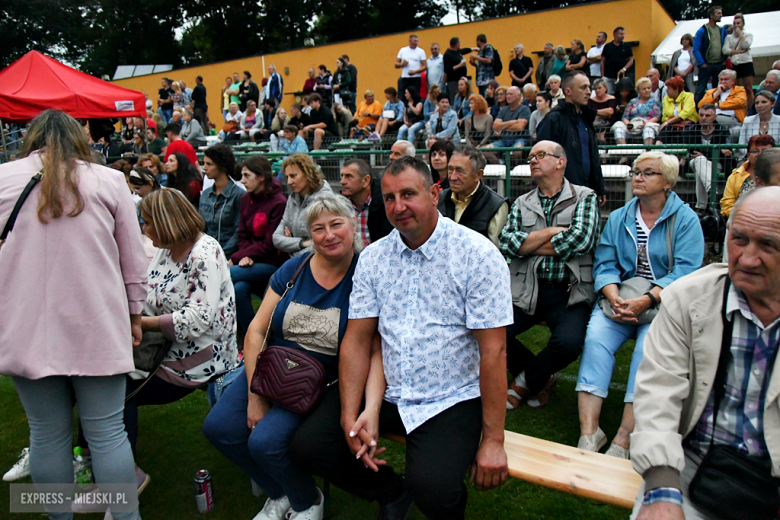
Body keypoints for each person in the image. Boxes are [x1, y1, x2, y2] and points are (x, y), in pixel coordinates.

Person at [289, 154, 513, 520]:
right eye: (389, 197)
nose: (398, 206)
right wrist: (350, 415)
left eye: (408, 194)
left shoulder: (477, 255)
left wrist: (493, 440)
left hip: (449, 395)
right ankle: (391, 492)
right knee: (309, 446)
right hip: (388, 388)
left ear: (435, 193)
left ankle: (441, 507)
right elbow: (358, 339)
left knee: (434, 487)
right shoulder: (374, 258)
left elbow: (494, 352)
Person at [0, 110, 144, 518]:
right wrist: (135, 313)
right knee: (106, 433)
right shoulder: (109, 180)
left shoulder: (3, 177)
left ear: (32, 137)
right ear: (79, 136)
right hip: (95, 322)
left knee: (47, 435)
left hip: (25, 328)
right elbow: (132, 260)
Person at [205, 192, 363, 520]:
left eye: (337, 224)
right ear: (309, 235)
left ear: (353, 225)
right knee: (219, 428)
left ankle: (307, 500)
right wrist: (253, 396)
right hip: (272, 366)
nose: (329, 235)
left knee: (264, 442)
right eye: (318, 229)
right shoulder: (295, 266)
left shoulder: (364, 276)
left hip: (320, 379)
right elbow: (257, 329)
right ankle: (280, 492)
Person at [628, 186, 780, 520]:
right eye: (738, 239)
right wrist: (662, 488)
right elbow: (658, 393)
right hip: (690, 468)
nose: (747, 258)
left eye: (768, 245)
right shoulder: (688, 298)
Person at [575, 151, 704, 459]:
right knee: (595, 340)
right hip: (620, 299)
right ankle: (589, 433)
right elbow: (604, 263)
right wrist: (613, 295)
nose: (638, 178)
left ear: (668, 182)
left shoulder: (685, 219)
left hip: (663, 305)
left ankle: (624, 438)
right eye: (635, 172)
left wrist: (646, 299)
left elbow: (686, 270)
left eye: (648, 173)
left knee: (647, 353)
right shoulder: (620, 217)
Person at [131, 188, 238, 481]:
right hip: (167, 347)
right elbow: (149, 296)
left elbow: (197, 320)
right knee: (102, 381)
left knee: (117, 394)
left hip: (201, 356)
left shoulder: (205, 251)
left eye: (147, 221)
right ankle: (99, 460)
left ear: (166, 222)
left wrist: (140, 323)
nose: (143, 227)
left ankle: (123, 476)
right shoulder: (165, 251)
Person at [500, 140, 601, 409]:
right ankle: (542, 378)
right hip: (526, 288)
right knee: (492, 330)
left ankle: (524, 381)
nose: (532, 160)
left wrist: (529, 245)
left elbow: (580, 241)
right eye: (531, 156)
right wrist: (549, 232)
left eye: (540, 155)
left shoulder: (585, 196)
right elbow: (508, 243)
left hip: (569, 292)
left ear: (560, 162)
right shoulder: (522, 202)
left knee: (569, 343)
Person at [229, 156, 288, 334]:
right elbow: (243, 234)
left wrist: (237, 257)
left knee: (226, 275)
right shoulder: (246, 200)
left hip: (272, 262)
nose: (242, 180)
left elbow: (270, 243)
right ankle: (251, 337)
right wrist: (245, 255)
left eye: (247, 175)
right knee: (239, 289)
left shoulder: (278, 203)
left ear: (261, 177)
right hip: (250, 260)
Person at [537, 71, 607, 202]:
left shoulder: (586, 119)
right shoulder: (553, 120)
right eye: (583, 87)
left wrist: (599, 187)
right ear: (568, 91)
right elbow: (543, 159)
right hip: (561, 195)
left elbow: (593, 157)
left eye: (589, 87)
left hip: (587, 192)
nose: (588, 92)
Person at [438, 145, 508, 247]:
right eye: (450, 169)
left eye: (460, 171)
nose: (452, 177)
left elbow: (495, 253)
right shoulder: (438, 199)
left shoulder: (495, 206)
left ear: (478, 175)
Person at [273, 153, 334, 257]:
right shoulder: (292, 199)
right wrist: (302, 243)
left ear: (307, 174)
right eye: (287, 177)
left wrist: (290, 243)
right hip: (296, 259)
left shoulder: (324, 200)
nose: (289, 182)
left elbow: (323, 243)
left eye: (293, 176)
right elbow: (276, 238)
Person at [683, 104, 733, 212]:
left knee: (700, 170)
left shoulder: (722, 131)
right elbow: (692, 152)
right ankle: (711, 189)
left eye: (707, 115)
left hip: (716, 164)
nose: (704, 118)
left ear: (714, 117)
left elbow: (728, 152)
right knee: (699, 160)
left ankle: (700, 208)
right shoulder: (691, 130)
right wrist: (716, 151)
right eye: (701, 115)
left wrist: (705, 154)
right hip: (694, 162)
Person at [199, 144, 243, 257]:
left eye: (209, 164)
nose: (204, 168)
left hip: (229, 254)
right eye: (204, 163)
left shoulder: (238, 195)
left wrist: (220, 253)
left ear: (222, 166)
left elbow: (239, 232)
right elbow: (201, 227)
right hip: (206, 252)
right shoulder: (205, 194)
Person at [339, 158, 393, 247]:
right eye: (342, 176)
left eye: (348, 176)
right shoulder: (340, 205)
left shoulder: (385, 204)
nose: (342, 182)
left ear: (366, 180)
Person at [720, 135, 776, 219]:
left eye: (765, 151)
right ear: (748, 154)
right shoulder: (735, 176)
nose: (759, 155)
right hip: (741, 221)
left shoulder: (777, 175)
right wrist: (747, 216)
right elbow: (727, 206)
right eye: (755, 151)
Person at [693, 5, 727, 105]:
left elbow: (726, 45)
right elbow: (695, 49)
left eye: (721, 13)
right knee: (700, 89)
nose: (721, 15)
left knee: (719, 89)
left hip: (719, 64)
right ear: (711, 16)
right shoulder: (702, 31)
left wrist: (725, 60)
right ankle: (697, 112)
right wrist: (702, 63)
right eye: (718, 13)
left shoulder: (722, 30)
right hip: (707, 64)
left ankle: (716, 110)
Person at [611, 77, 662, 145]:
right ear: (638, 91)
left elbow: (657, 117)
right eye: (644, 89)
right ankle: (623, 154)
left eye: (648, 88)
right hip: (633, 125)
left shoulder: (655, 102)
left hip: (647, 123)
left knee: (649, 129)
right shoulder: (633, 101)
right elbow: (625, 117)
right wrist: (628, 124)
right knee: (619, 128)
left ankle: (647, 153)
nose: (647, 90)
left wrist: (645, 123)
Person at [656, 76, 699, 145]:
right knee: (664, 130)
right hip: (672, 125)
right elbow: (664, 117)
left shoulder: (689, 96)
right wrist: (675, 121)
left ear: (676, 89)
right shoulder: (666, 99)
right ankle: (656, 149)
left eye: (669, 88)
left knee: (686, 131)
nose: (666, 90)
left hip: (689, 124)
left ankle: (686, 153)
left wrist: (668, 122)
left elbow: (686, 113)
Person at [601, 27, 635, 94]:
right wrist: (602, 76)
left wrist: (624, 69)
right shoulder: (607, 46)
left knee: (620, 94)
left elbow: (631, 60)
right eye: (621, 34)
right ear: (615, 35)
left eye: (623, 34)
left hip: (621, 77)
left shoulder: (627, 46)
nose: (623, 36)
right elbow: (602, 61)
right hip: (608, 76)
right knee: (608, 94)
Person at [396, 34, 427, 100]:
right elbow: (396, 64)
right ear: (410, 41)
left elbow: (425, 66)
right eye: (414, 41)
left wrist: (415, 72)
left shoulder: (421, 51)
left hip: (416, 78)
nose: (416, 43)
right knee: (403, 96)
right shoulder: (403, 50)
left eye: (417, 41)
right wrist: (403, 64)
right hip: (405, 77)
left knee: (415, 96)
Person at [443, 37, 472, 102]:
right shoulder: (447, 55)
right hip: (453, 81)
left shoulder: (457, 51)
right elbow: (448, 70)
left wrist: (473, 49)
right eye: (459, 43)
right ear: (456, 45)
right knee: (455, 98)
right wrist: (460, 65)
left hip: (461, 79)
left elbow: (464, 50)